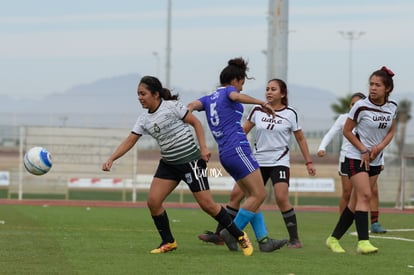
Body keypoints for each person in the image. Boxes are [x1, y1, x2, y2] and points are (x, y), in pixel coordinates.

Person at [102, 75, 252, 255]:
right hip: (169, 164)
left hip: (191, 161)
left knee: (208, 205)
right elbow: (130, 141)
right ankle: (168, 242)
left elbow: (196, 123)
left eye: (143, 94)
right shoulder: (143, 119)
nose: (140, 98)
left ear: (156, 94)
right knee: (153, 202)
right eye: (138, 94)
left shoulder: (171, 107)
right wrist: (112, 158)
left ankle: (240, 236)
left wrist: (203, 148)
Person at [198, 78, 316, 249]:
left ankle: (295, 239)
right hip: (256, 160)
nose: (268, 92)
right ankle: (223, 236)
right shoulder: (256, 110)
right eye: (267, 89)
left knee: (281, 197)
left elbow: (300, 138)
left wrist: (309, 162)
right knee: (237, 196)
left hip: (279, 161)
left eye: (273, 89)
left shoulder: (291, 113)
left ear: (282, 94)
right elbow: (243, 130)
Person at [187, 57, 284, 255]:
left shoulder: (209, 98)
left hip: (226, 153)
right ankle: (231, 232)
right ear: (235, 80)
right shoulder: (230, 92)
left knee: (251, 197)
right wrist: (260, 103)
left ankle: (264, 240)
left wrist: (181, 113)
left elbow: (190, 106)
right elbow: (235, 97)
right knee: (259, 195)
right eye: (241, 84)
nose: (240, 88)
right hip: (238, 149)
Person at [326, 66, 397, 254]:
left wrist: (379, 148)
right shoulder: (361, 106)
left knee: (355, 203)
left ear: (387, 88)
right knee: (365, 195)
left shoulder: (392, 107)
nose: (373, 88)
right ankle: (363, 242)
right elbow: (347, 131)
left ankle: (333, 239)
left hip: (375, 159)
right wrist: (363, 149)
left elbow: (391, 131)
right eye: (371, 84)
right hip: (355, 156)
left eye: (378, 85)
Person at [317, 92, 387, 233]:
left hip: (369, 159)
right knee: (348, 193)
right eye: (352, 104)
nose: (355, 106)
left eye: (358, 104)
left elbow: (379, 140)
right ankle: (344, 224)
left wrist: (382, 160)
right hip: (348, 159)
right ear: (350, 106)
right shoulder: (344, 118)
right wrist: (322, 147)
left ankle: (374, 223)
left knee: (371, 191)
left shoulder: (369, 118)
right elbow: (331, 133)